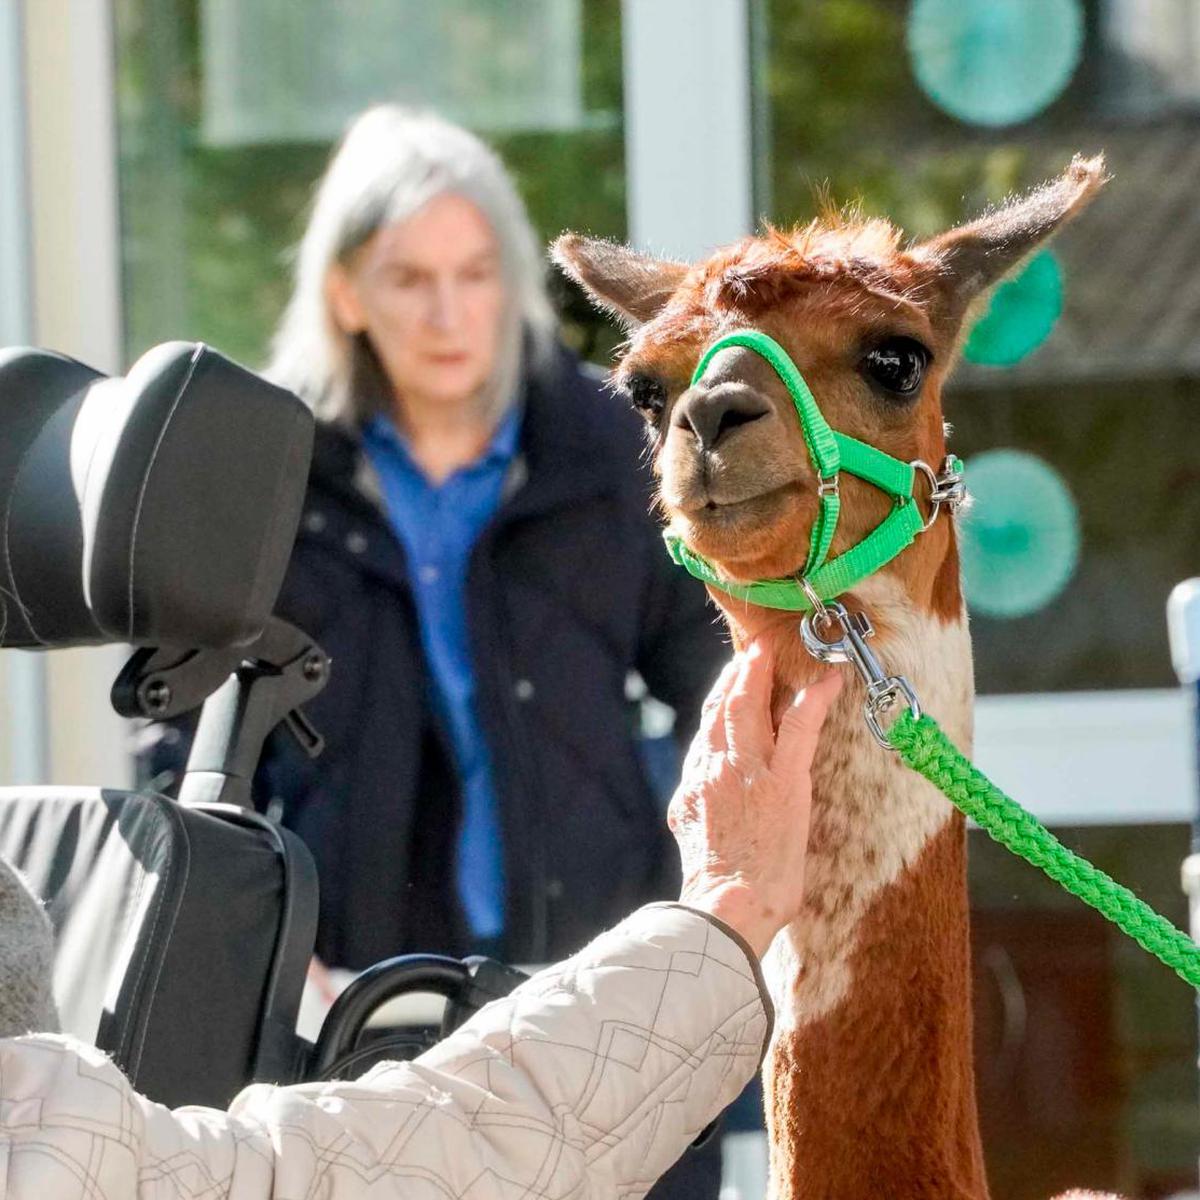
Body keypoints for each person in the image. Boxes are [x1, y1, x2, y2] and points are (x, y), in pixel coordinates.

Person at [141, 105, 726, 979]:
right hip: (348, 997)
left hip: (603, 975)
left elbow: (716, 671)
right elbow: (179, 750)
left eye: (476, 274)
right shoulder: (264, 472)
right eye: (410, 279)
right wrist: (257, 948)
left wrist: (705, 897)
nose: (448, 314)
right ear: (346, 294)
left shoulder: (608, 446)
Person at [1, 647, 841, 1199]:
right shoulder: (321, 483)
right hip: (420, 988)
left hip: (571, 943)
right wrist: (727, 902)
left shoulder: (576, 449)